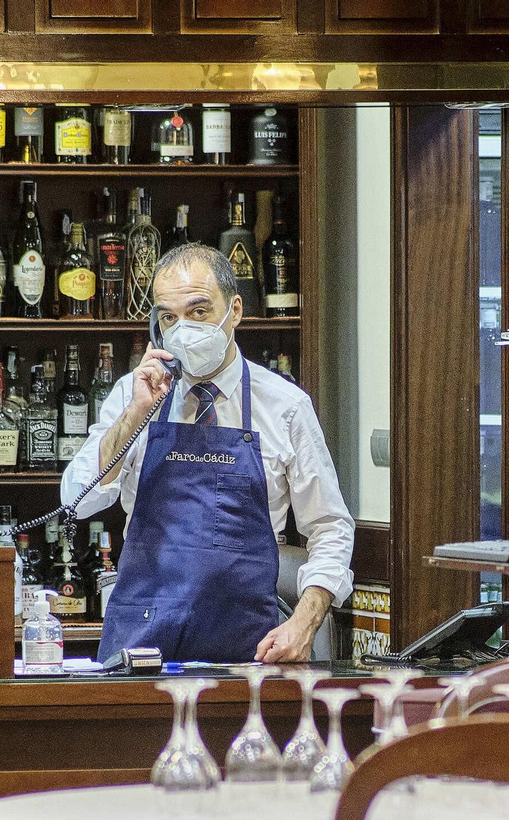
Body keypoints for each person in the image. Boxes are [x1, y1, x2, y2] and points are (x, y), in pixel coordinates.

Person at [62, 244, 353, 664]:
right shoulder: (133, 395)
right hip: (140, 640)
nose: (183, 329)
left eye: (198, 311)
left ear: (234, 311)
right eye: (168, 318)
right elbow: (77, 499)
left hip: (248, 646)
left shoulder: (286, 406)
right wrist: (135, 414)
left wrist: (304, 623)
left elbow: (330, 528)